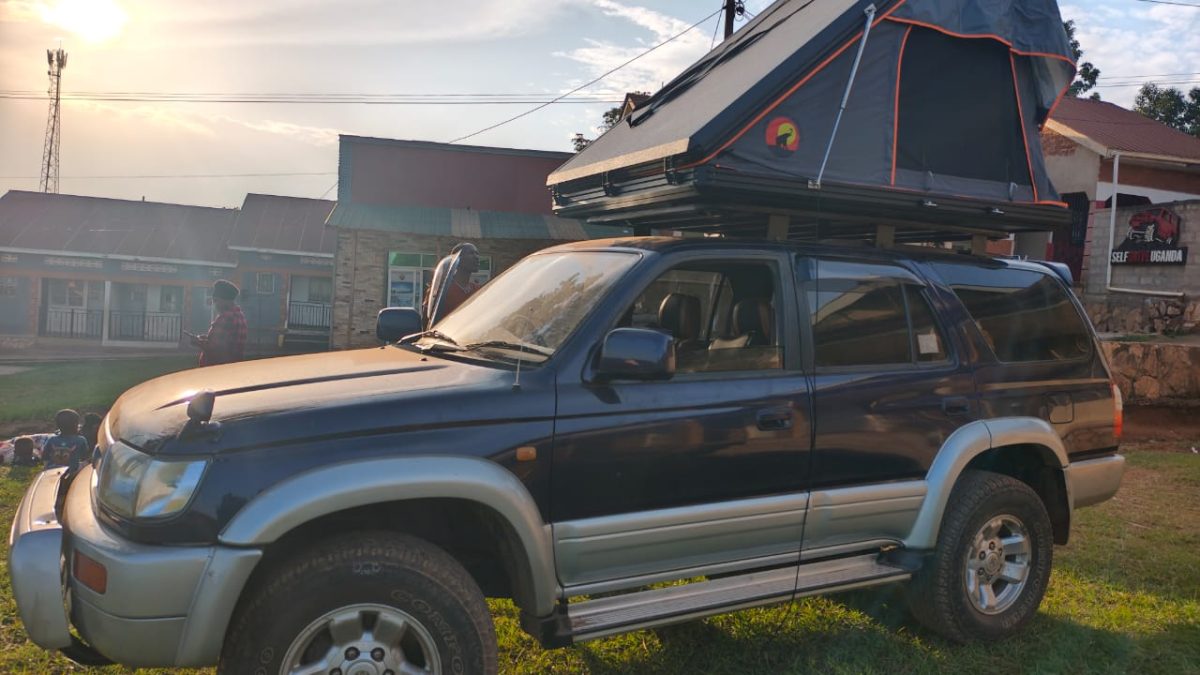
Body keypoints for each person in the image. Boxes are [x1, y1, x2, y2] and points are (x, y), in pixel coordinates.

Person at [192, 279, 247, 366]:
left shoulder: (226, 318)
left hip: (217, 369)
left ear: (225, 300)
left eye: (216, 300)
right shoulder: (240, 316)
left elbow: (215, 349)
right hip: (233, 367)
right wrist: (206, 338)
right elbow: (225, 342)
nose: (215, 304)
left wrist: (197, 342)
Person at [424, 243, 481, 326]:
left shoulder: (478, 290)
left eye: (477, 253)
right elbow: (427, 323)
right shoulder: (441, 290)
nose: (476, 257)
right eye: (471, 253)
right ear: (458, 259)